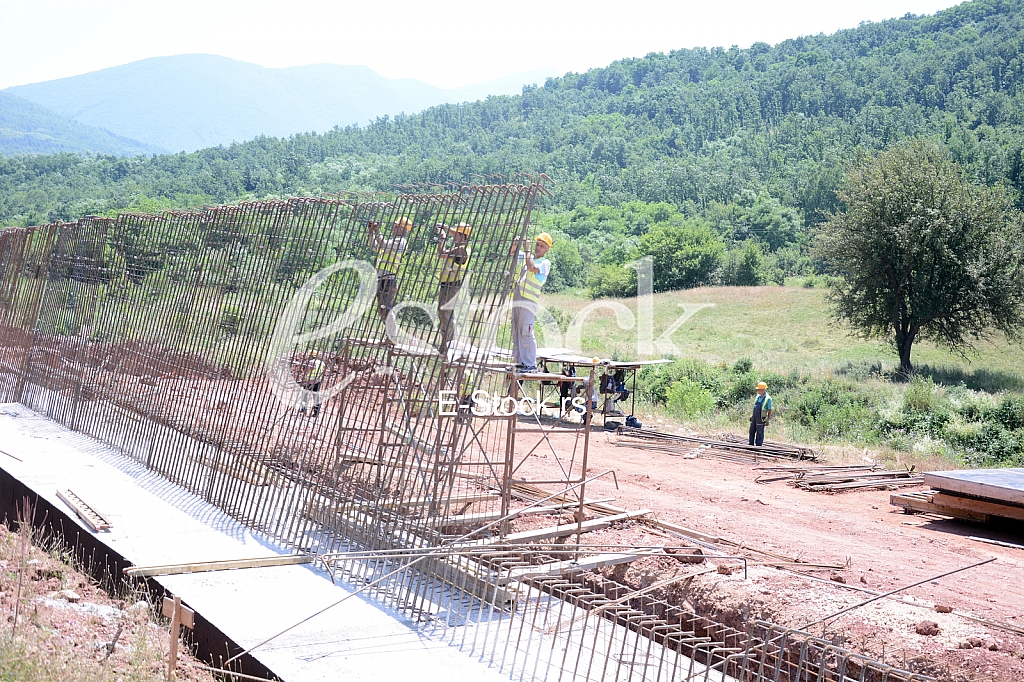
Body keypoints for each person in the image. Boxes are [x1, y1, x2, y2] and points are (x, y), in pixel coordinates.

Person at [509, 232, 552, 373]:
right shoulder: (528, 257)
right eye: (537, 245)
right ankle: (519, 361)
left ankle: (529, 363)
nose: (538, 247)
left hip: (528, 300)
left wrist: (527, 249)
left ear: (547, 249)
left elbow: (531, 267)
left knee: (526, 331)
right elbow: (512, 253)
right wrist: (516, 242)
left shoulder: (544, 263)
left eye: (542, 246)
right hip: (518, 296)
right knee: (516, 329)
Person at [437, 222, 472, 356]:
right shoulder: (462, 244)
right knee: (442, 314)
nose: (453, 235)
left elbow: (441, 253)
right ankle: (446, 344)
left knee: (447, 315)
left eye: (456, 234)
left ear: (463, 236)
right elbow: (457, 233)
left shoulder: (461, 249)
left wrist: (442, 238)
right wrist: (446, 228)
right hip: (447, 284)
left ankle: (450, 345)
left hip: (451, 285)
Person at [368, 217, 410, 327]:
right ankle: (390, 336)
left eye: (396, 226)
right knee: (382, 310)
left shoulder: (401, 242)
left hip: (389, 279)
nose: (393, 228)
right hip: (382, 279)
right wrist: (371, 232)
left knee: (386, 310)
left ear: (403, 229)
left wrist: (377, 231)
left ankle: (392, 337)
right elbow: (374, 246)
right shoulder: (392, 242)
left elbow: (383, 244)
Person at [299, 350, 326, 418]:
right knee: (316, 397)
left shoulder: (311, 362)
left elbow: (307, 372)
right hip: (318, 382)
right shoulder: (322, 363)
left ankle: (304, 409)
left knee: (304, 395)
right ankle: (316, 413)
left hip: (309, 382)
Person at [748, 381, 773, 446]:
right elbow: (755, 408)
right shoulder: (758, 397)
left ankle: (758, 446)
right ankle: (750, 445)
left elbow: (770, 410)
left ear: (763, 390)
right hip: (755, 417)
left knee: (759, 433)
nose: (758, 391)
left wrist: (768, 419)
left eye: (759, 390)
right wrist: (752, 416)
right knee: (751, 431)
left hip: (761, 418)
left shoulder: (768, 399)